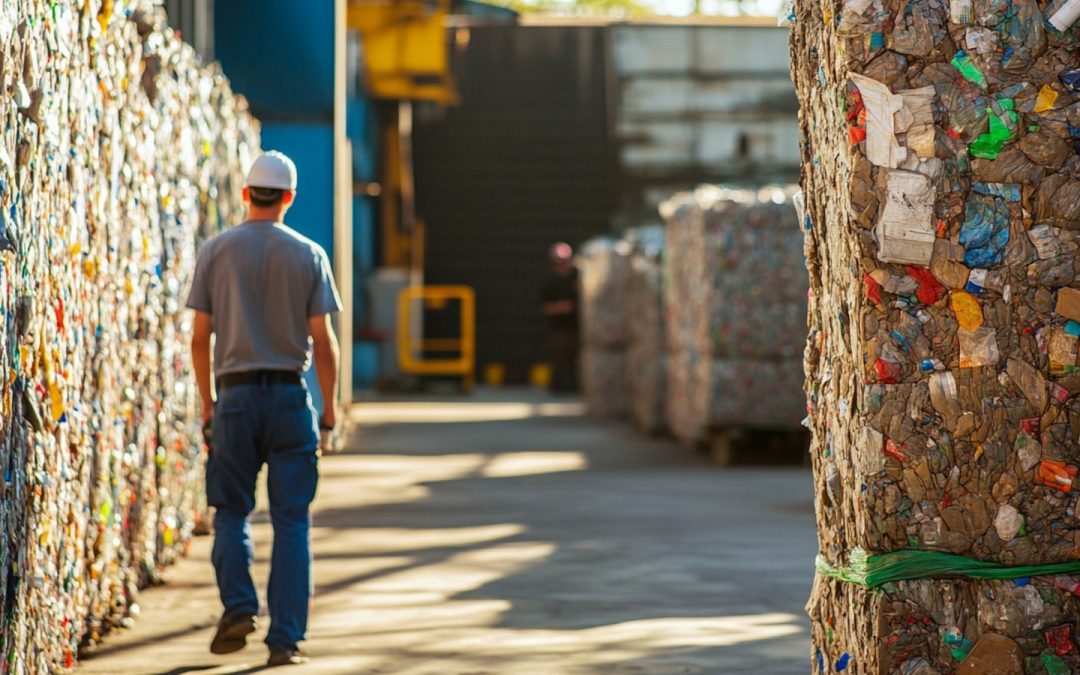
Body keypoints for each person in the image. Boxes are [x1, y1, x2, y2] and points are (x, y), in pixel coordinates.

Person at [186, 151, 342, 667]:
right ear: (290, 198)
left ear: (247, 193)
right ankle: (285, 641)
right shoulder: (310, 254)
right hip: (288, 397)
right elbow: (324, 342)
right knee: (292, 520)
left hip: (234, 398)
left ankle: (238, 606)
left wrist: (209, 404)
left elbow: (200, 337)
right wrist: (330, 411)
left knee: (231, 510)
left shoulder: (215, 251)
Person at [541, 242, 580, 393]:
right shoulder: (550, 282)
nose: (564, 265)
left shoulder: (577, 276)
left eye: (566, 261)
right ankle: (558, 389)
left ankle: (575, 388)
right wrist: (562, 307)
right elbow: (545, 308)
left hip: (575, 326)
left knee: (575, 359)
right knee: (559, 360)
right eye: (560, 262)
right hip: (558, 328)